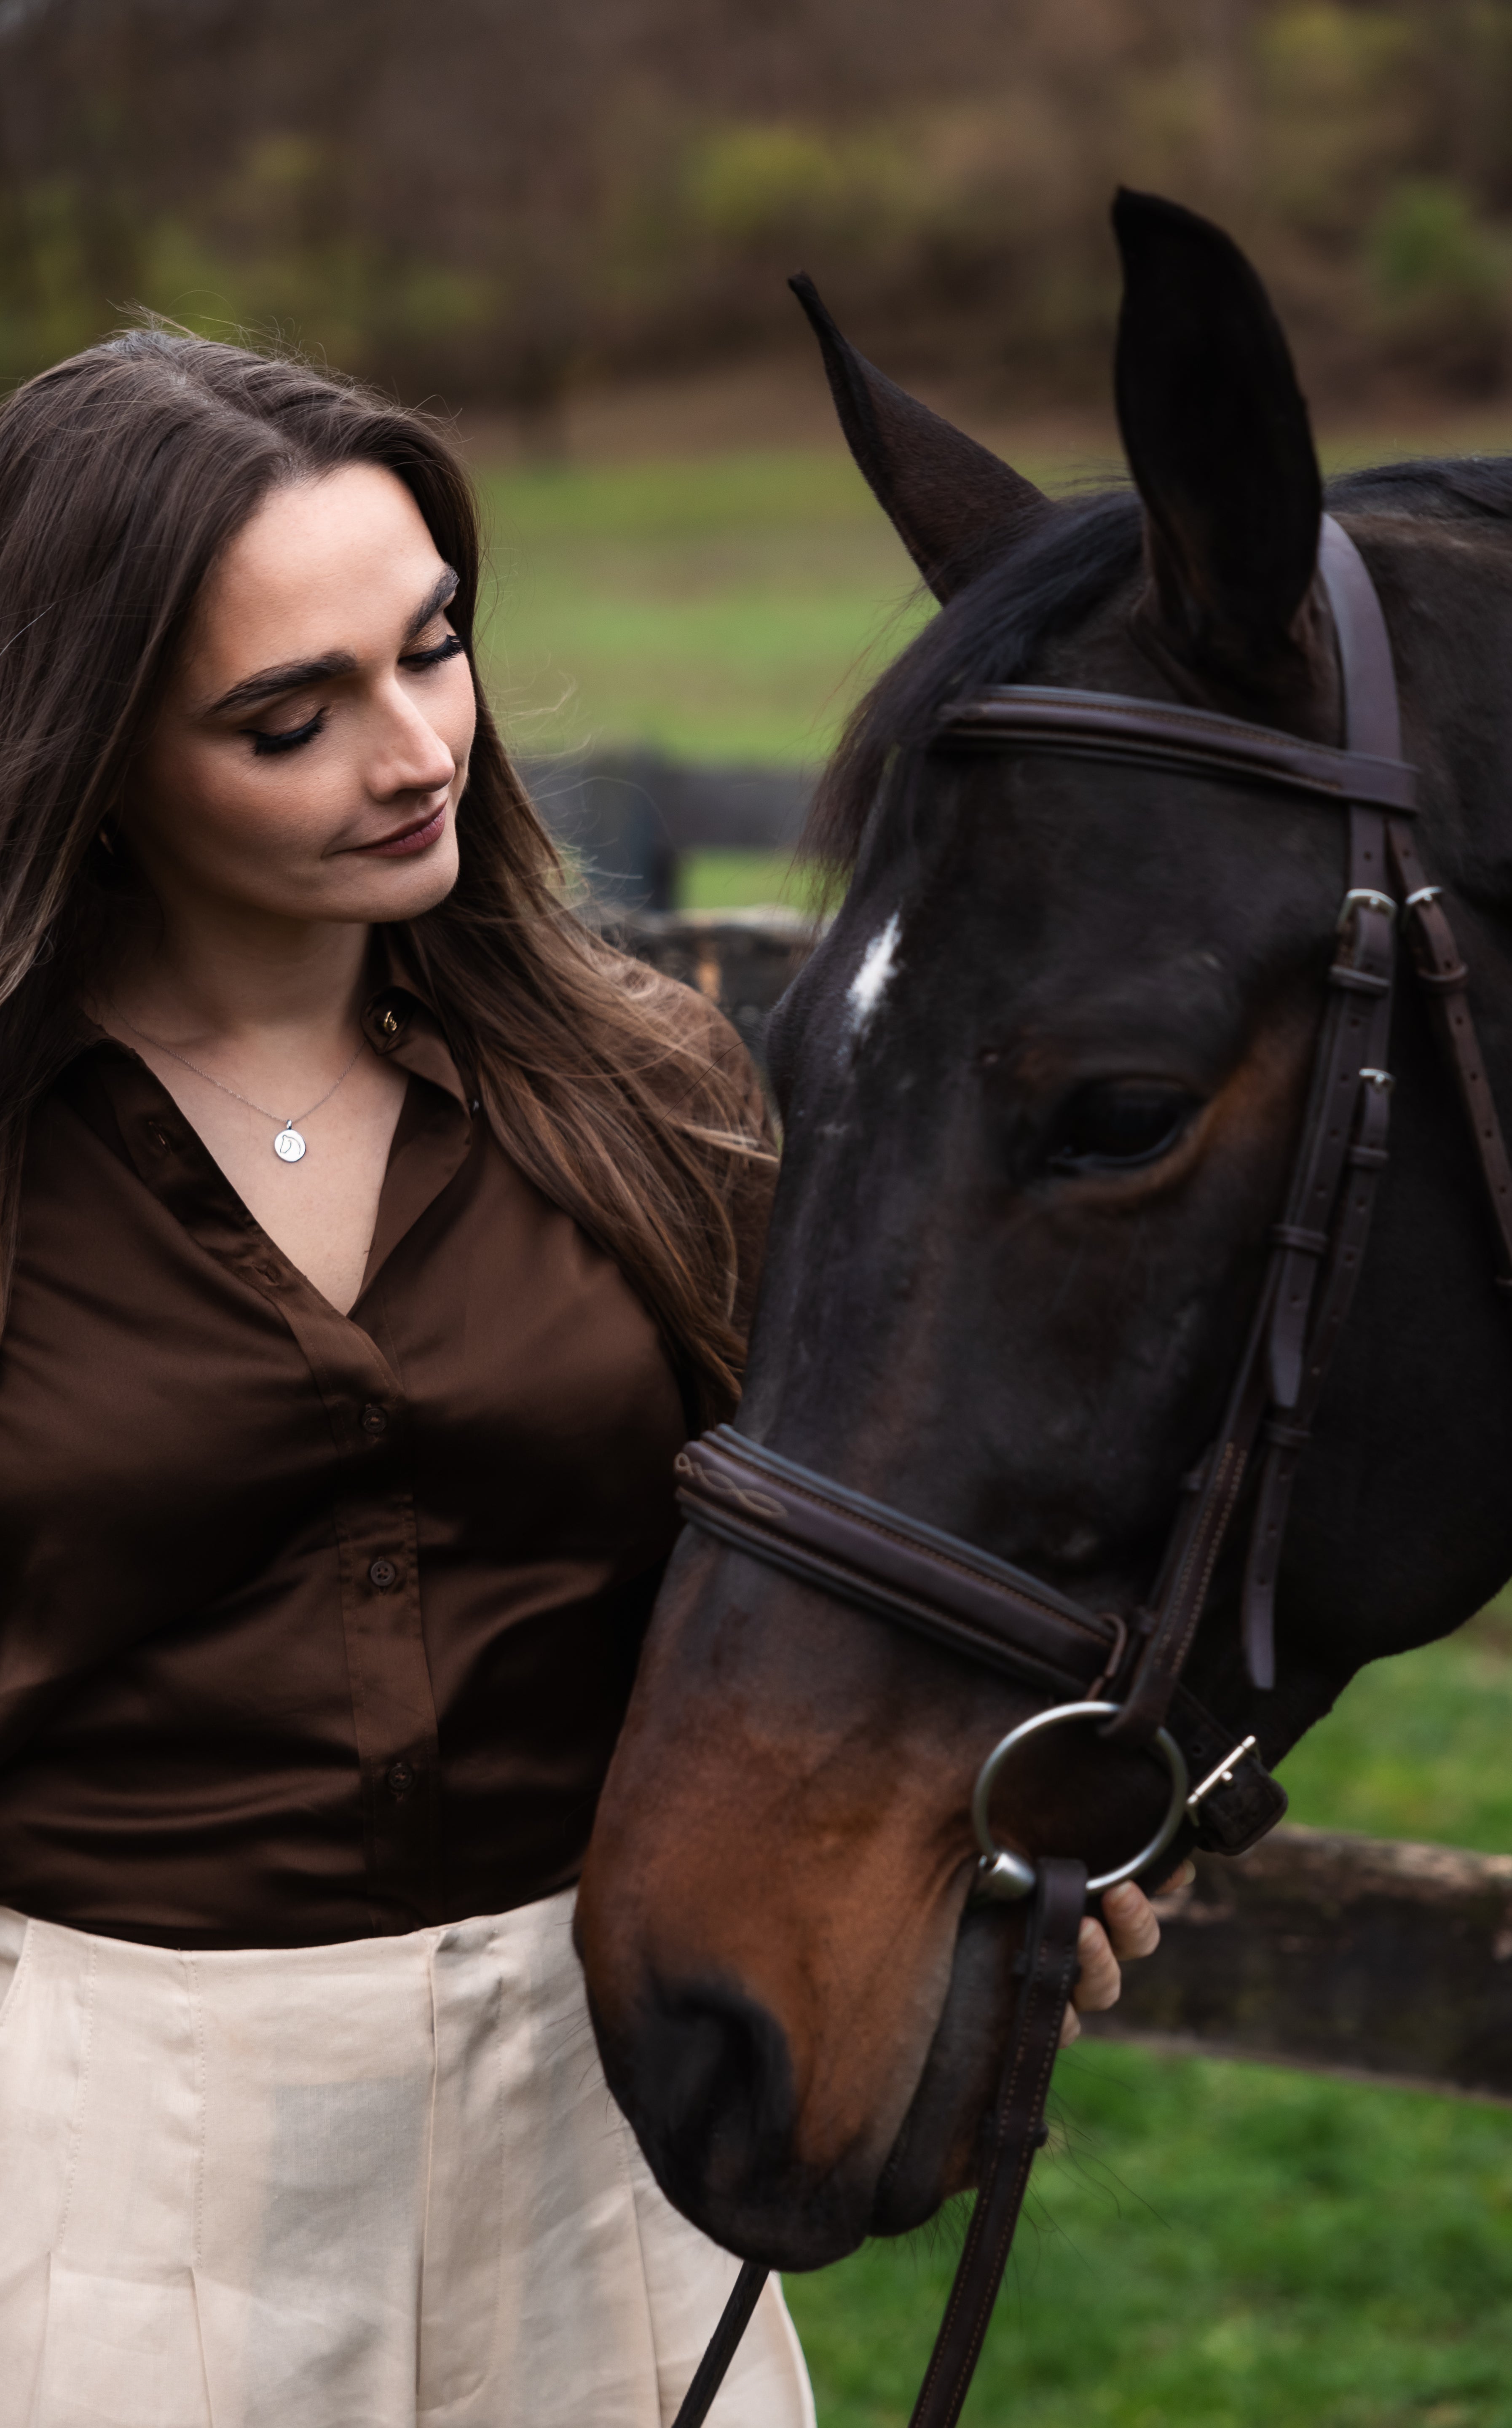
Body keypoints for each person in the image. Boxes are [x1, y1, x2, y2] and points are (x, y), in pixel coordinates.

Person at [0, 329, 1166, 2428]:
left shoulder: (651, 1094)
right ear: (90, 755)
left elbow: (835, 1564)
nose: (416, 748)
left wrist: (990, 1835)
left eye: (430, 651)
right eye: (291, 716)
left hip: (600, 2152)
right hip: (109, 2160)